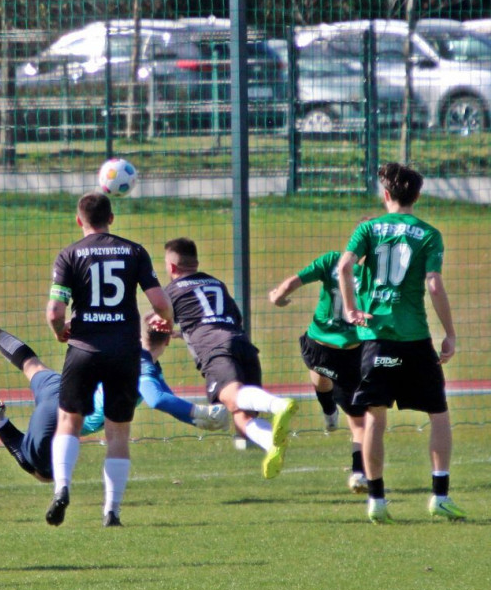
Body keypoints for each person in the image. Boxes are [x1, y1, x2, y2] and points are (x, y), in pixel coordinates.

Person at [0, 311, 228, 488]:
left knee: (30, 364)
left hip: (60, 387)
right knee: (45, 474)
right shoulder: (144, 370)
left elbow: (166, 397)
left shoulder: (133, 354)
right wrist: (200, 414)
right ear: (168, 340)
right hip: (61, 415)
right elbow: (159, 399)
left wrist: (198, 420)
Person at [337, 162, 463, 523]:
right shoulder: (428, 234)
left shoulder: (368, 228)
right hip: (415, 337)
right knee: (438, 414)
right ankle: (439, 495)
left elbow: (344, 267)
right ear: (417, 196)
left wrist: (350, 309)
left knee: (375, 416)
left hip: (376, 337)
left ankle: (376, 500)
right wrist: (450, 334)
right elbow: (434, 284)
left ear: (386, 195)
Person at [44, 192, 173, 527]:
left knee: (68, 423)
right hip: (124, 351)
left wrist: (60, 330)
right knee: (118, 432)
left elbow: (55, 311)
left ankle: (61, 488)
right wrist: (166, 320)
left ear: (79, 220)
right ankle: (111, 510)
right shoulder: (134, 251)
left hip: (84, 349)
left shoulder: (69, 254)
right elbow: (159, 301)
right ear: (111, 218)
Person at [163, 237, 298, 479]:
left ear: (172, 267)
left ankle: (278, 405)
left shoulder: (171, 290)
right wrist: (185, 332)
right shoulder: (216, 283)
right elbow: (230, 317)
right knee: (242, 418)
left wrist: (157, 325)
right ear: (196, 263)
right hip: (240, 342)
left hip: (214, 348)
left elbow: (160, 319)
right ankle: (272, 443)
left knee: (231, 398)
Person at [269, 250, 370, 493]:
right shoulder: (377, 274)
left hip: (318, 345)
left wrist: (278, 297)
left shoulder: (332, 260)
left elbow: (294, 281)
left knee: (320, 371)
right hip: (350, 350)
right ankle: (359, 474)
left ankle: (328, 411)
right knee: (359, 423)